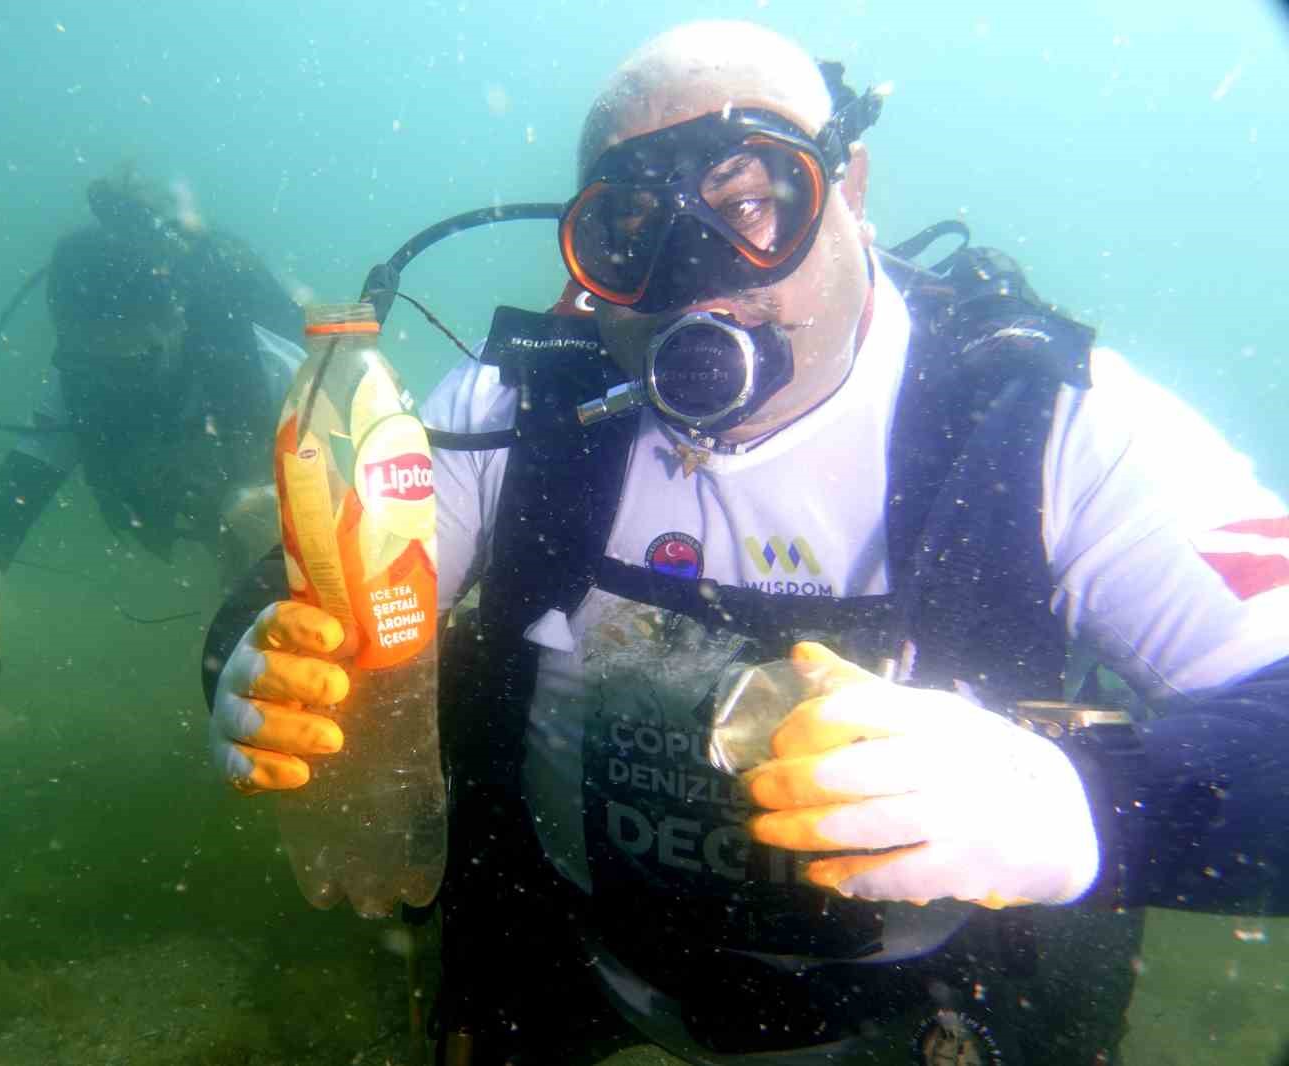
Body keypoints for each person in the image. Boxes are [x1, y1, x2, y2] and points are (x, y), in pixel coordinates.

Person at [202, 21, 1289, 1066]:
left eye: (755, 199)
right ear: (586, 260)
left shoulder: (1043, 420)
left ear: (851, 189)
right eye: (630, 231)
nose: (697, 275)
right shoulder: (521, 403)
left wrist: (1069, 803)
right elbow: (321, 590)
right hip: (571, 961)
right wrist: (250, 661)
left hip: (932, 1014)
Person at [0, 174, 304, 682]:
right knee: (251, 618)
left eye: (129, 363)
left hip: (298, 513)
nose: (112, 385)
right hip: (220, 517)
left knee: (276, 583)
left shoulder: (264, 365)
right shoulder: (81, 384)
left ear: (174, 322)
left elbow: (380, 473)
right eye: (87, 360)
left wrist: (295, 512)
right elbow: (25, 475)